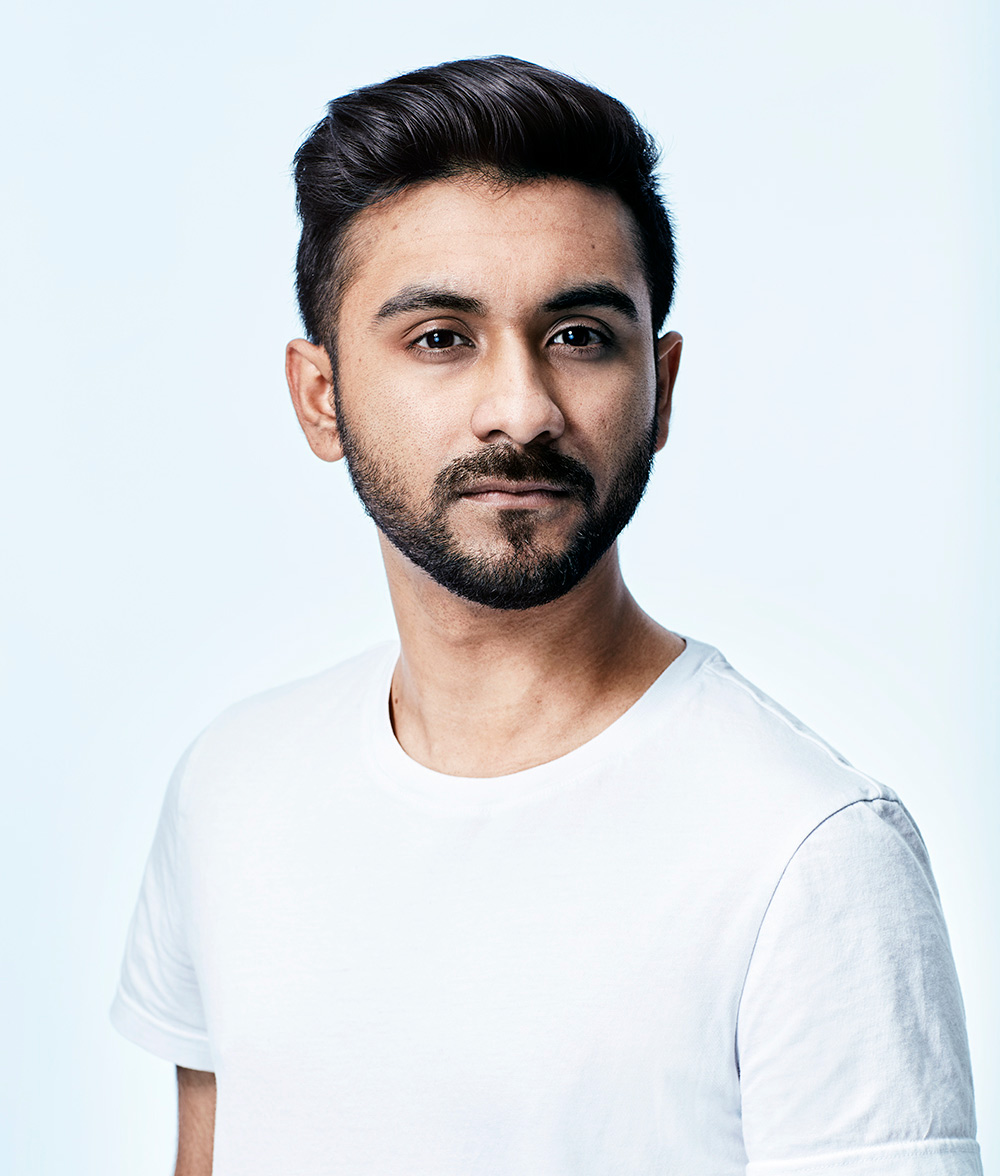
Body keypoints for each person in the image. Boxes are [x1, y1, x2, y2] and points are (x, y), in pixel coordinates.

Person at [111, 56, 982, 1176]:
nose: (519, 409)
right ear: (319, 397)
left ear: (660, 385)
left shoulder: (808, 854)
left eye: (579, 335)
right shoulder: (231, 786)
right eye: (440, 338)